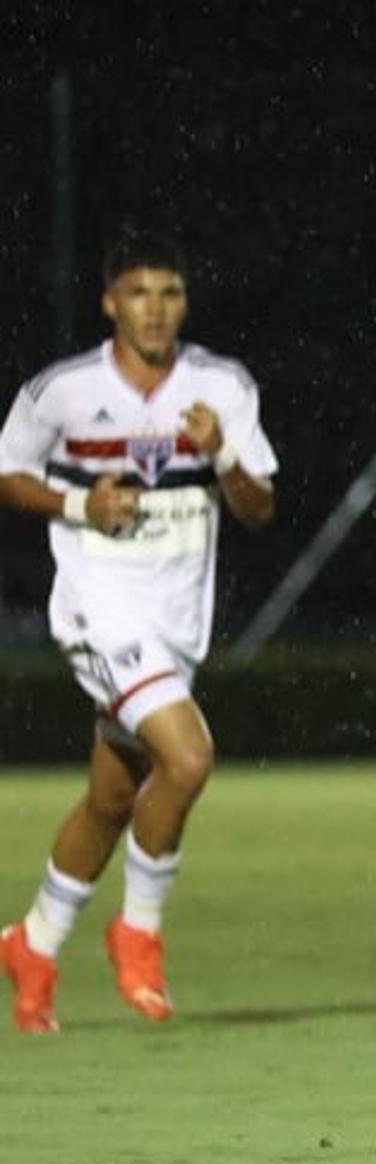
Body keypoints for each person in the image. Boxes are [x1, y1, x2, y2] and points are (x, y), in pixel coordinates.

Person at [0, 229, 278, 1033]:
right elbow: (7, 472)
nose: (155, 310)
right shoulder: (64, 390)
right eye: (139, 293)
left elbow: (259, 508)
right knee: (188, 759)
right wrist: (81, 503)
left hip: (175, 625)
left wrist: (221, 451)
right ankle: (139, 934)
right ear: (109, 302)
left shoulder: (221, 387)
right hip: (97, 607)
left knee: (112, 797)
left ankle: (35, 944)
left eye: (170, 293)